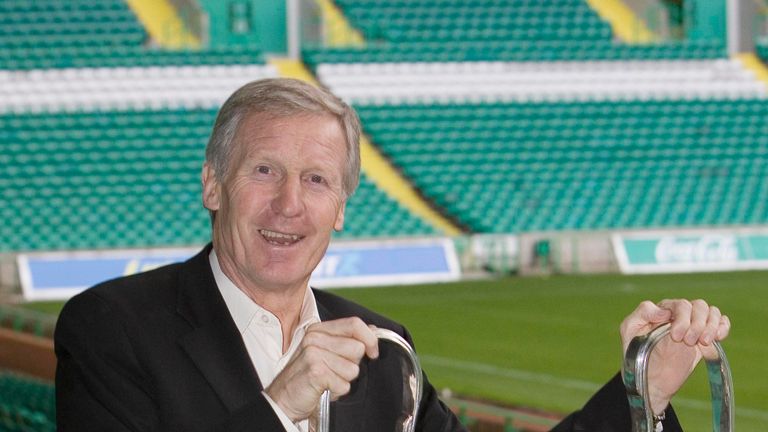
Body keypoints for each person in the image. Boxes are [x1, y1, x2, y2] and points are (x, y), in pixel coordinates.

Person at [54, 78, 730, 431]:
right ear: (212, 185)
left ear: (342, 207)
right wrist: (280, 404)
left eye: (317, 180)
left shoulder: (382, 351)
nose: (290, 203)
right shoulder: (112, 327)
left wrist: (643, 395)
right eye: (264, 171)